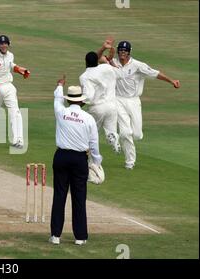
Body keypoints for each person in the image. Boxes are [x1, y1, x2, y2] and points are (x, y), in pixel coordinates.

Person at [100, 40, 181, 169]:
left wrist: (171, 81)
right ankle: (129, 163)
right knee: (125, 133)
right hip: (118, 100)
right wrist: (104, 47)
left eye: (125, 51)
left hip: (134, 101)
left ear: (129, 52)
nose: (122, 53)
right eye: (120, 50)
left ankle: (127, 141)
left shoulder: (138, 65)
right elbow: (99, 59)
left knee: (136, 134)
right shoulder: (113, 62)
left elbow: (155, 73)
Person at [49, 76, 102, 246]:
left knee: (59, 196)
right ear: (81, 102)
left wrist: (59, 86)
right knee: (79, 198)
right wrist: (96, 162)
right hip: (80, 160)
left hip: (61, 157)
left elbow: (57, 100)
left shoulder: (61, 112)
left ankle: (55, 236)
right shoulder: (88, 118)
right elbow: (94, 145)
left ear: (69, 100)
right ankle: (80, 237)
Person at [0, 35, 30, 148]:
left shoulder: (10, 55)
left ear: (8, 44)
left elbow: (10, 65)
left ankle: (19, 140)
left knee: (15, 112)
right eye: (1, 44)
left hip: (8, 86)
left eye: (5, 43)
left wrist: (21, 70)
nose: (3, 45)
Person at [79, 51, 121, 154]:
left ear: (86, 62)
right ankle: (114, 138)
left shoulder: (84, 76)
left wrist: (77, 104)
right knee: (111, 131)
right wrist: (108, 61)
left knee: (91, 135)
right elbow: (120, 73)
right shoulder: (106, 68)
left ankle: (91, 159)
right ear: (97, 61)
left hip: (97, 108)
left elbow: (88, 96)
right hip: (112, 106)